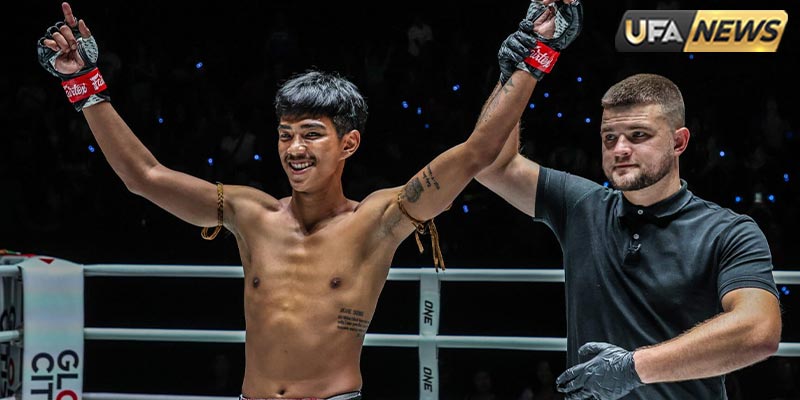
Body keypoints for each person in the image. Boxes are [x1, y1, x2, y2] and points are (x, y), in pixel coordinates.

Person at [36, 1, 582, 399]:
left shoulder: (381, 218)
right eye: (285, 134)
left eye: (311, 134)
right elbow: (144, 176)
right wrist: (83, 82)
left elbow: (478, 152)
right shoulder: (248, 212)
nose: (294, 149)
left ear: (349, 143)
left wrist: (535, 56)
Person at [475, 73, 782, 399]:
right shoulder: (582, 206)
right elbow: (489, 163)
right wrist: (519, 70)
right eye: (609, 138)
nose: (620, 149)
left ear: (678, 142)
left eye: (638, 135)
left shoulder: (728, 231)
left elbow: (759, 329)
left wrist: (633, 368)